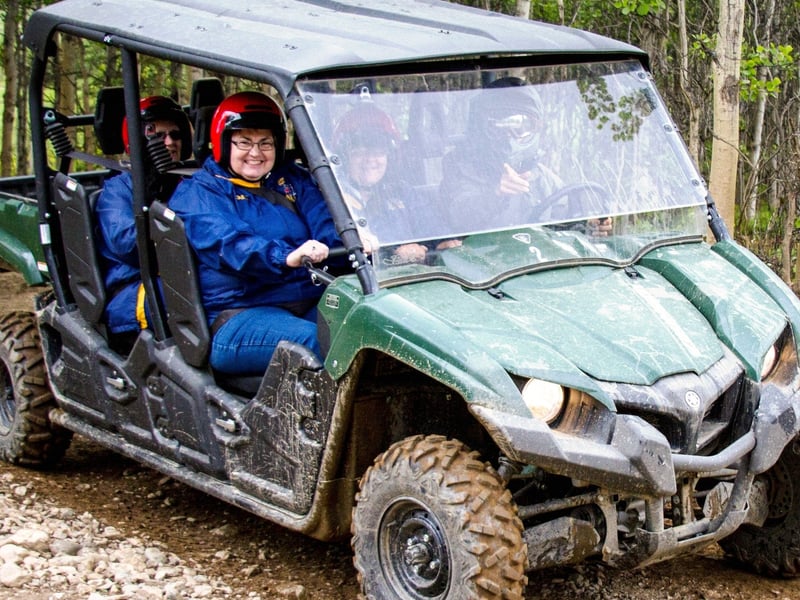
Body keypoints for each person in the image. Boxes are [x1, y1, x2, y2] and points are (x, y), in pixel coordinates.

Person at [168, 91, 341, 375]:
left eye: (265, 143)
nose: (256, 153)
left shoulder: (292, 180)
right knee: (318, 341)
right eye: (244, 142)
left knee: (366, 327)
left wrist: (354, 241)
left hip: (305, 299)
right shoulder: (200, 192)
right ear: (224, 143)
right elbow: (230, 246)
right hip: (237, 313)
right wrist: (285, 257)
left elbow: (326, 222)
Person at [95, 95, 193, 336]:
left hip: (181, 279)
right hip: (134, 289)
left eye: (175, 135)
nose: (169, 142)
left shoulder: (191, 183)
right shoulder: (119, 189)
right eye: (158, 136)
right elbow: (127, 244)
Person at [334, 104, 460, 265]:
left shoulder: (401, 192)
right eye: (359, 152)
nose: (370, 159)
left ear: (390, 156)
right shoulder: (333, 198)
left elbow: (432, 225)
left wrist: (444, 242)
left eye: (378, 152)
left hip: (414, 276)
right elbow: (336, 251)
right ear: (344, 157)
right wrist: (393, 253)